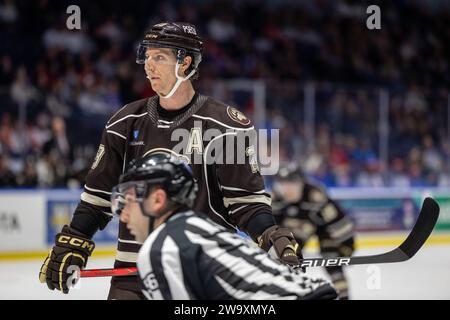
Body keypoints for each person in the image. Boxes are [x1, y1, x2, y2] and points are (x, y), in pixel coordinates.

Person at [39, 22, 302, 299]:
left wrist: (269, 236)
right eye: (147, 56)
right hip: (134, 273)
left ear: (185, 63)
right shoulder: (124, 122)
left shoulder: (226, 125)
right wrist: (75, 241)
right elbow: (98, 197)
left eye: (159, 58)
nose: (148, 66)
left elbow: (245, 204)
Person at [116, 152, 337, 300]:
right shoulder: (201, 227)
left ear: (157, 200)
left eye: (129, 200)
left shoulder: (163, 247)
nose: (123, 215)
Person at [271, 163, 355, 299]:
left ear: (302, 183)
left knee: (332, 260)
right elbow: (271, 227)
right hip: (297, 228)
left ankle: (344, 296)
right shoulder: (275, 198)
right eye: (283, 184)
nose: (287, 189)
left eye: (292, 183)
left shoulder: (316, 195)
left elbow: (338, 221)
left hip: (324, 228)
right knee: (288, 255)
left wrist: (347, 245)